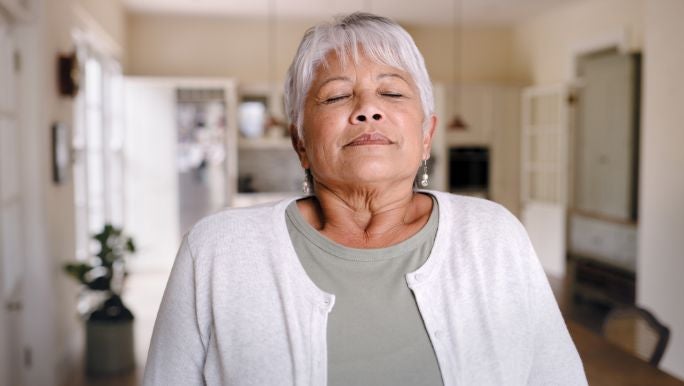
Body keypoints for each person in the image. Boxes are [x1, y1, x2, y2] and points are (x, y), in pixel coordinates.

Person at [144, 12, 587, 386]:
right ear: (300, 141)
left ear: (426, 133)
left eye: (392, 92)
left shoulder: (495, 236)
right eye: (336, 96)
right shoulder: (216, 251)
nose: (368, 109)